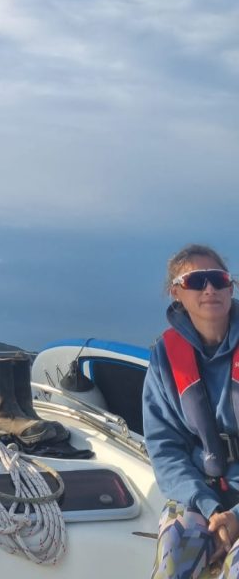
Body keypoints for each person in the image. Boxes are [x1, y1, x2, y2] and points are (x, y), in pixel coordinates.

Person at [143, 244, 239, 579]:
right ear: (176, 293)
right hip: (197, 494)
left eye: (218, 279)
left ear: (230, 287)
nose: (210, 288)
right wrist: (210, 507)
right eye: (196, 281)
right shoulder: (163, 360)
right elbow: (164, 448)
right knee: (174, 555)